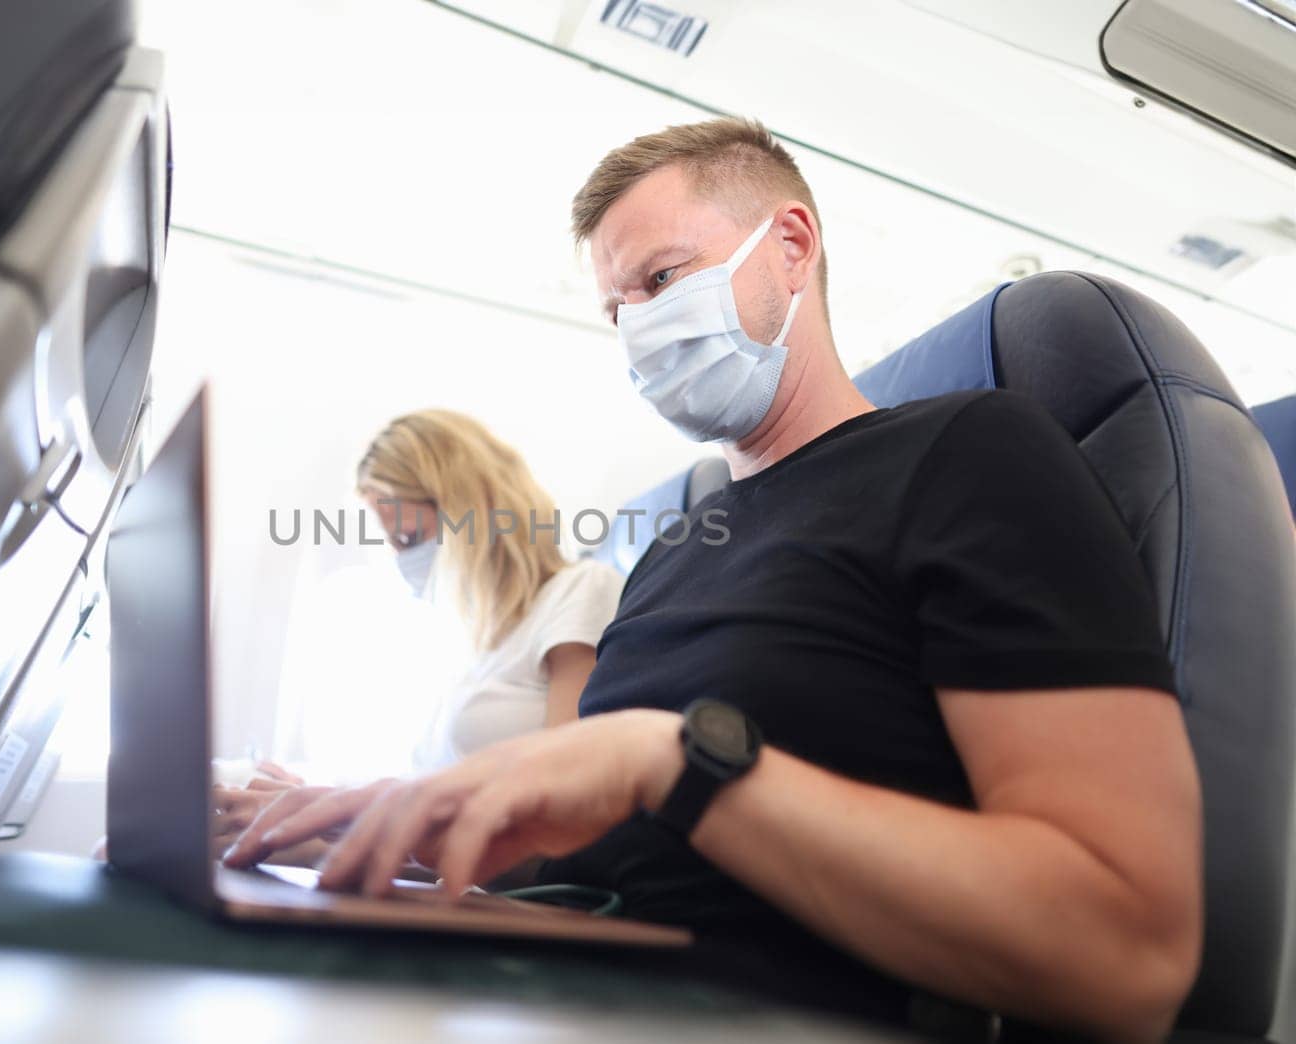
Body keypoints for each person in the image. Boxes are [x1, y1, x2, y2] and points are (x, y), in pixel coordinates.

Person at [226, 118, 1202, 1041]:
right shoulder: (670, 555)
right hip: (573, 979)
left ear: (789, 245)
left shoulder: (968, 454)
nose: (639, 329)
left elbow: (1125, 957)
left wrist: (679, 762)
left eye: (663, 277)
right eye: (619, 309)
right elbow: (603, 869)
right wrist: (374, 837)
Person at [211, 409, 624, 864]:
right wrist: (313, 808)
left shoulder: (580, 590)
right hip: (445, 868)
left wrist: (340, 817)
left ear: (473, 509)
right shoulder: (474, 649)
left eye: (409, 538)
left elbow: (559, 807)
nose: (404, 563)